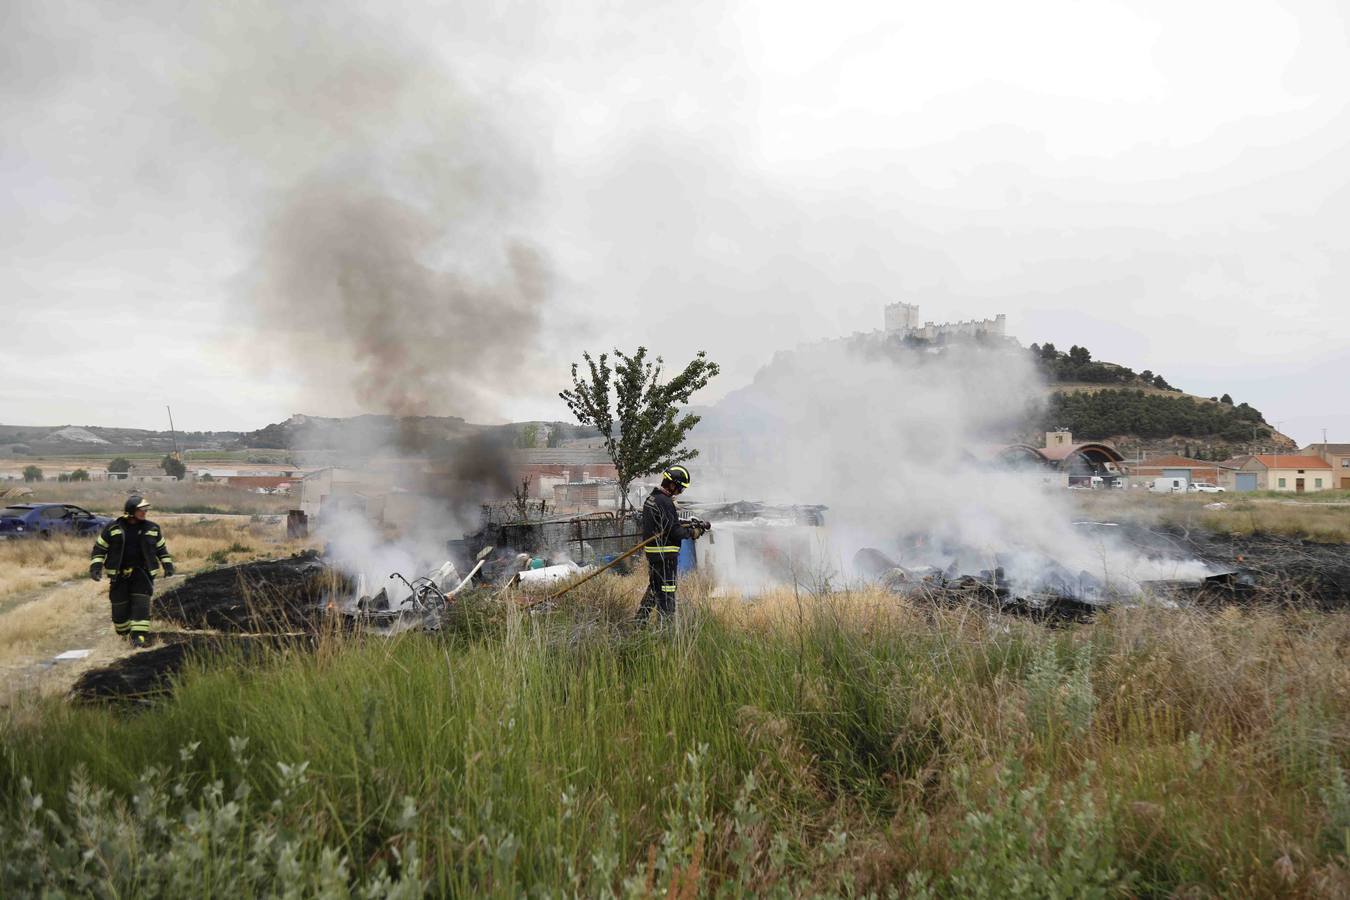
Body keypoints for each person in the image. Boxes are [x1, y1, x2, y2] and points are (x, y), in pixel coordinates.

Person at [89, 495, 175, 647]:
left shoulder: (153, 528)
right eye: (141, 510)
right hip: (119, 576)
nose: (144, 512)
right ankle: (125, 634)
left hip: (142, 573)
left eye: (145, 510)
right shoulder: (113, 528)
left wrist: (168, 565)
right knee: (119, 612)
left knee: (141, 605)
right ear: (130, 511)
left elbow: (161, 549)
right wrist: (95, 567)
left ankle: (138, 637)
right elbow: (99, 549)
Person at [636, 464, 706, 622]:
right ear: (672, 484)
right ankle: (666, 629)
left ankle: (639, 623)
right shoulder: (665, 502)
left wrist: (686, 523)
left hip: (654, 555)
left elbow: (665, 523)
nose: (681, 492)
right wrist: (692, 532)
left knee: (654, 589)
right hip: (665, 557)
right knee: (667, 595)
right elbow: (674, 531)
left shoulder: (652, 499)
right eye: (680, 488)